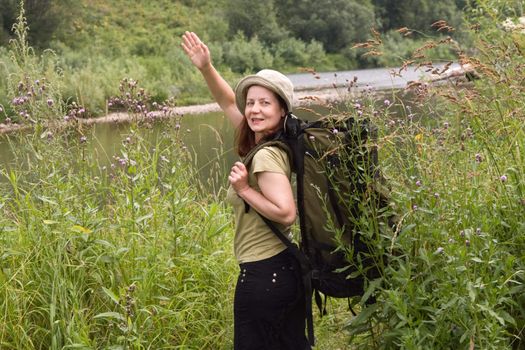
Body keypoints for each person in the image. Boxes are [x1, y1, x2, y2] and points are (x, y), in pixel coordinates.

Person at [181, 31, 310, 350]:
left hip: (265, 275)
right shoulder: (265, 143)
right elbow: (227, 101)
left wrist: (244, 189)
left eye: (265, 103)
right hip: (281, 271)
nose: (254, 109)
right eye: (251, 102)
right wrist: (206, 67)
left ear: (282, 111)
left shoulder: (266, 155)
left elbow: (286, 213)